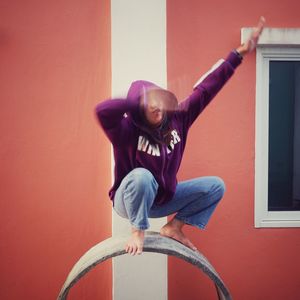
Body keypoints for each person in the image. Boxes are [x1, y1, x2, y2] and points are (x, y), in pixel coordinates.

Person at [95, 17, 266, 256]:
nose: (156, 109)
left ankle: (174, 227)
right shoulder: (126, 131)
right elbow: (102, 112)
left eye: (158, 103)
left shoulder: (180, 118)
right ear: (137, 110)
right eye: (148, 106)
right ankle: (138, 230)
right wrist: (134, 102)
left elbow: (206, 88)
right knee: (142, 176)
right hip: (130, 199)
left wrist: (239, 54)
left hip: (161, 199)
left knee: (215, 186)